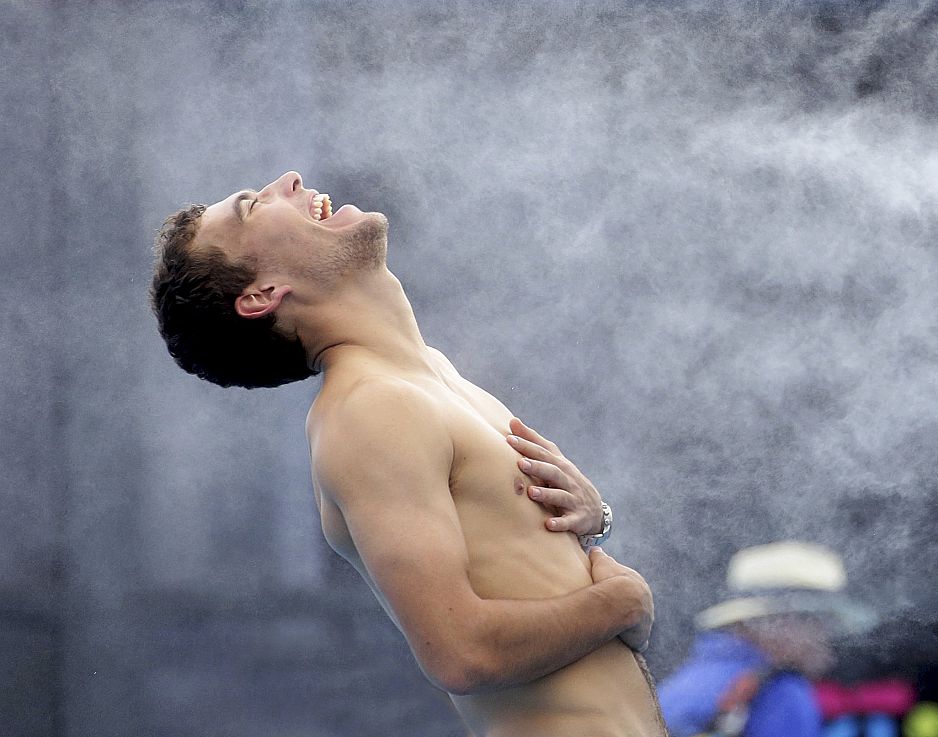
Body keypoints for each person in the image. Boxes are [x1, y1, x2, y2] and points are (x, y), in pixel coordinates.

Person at [149, 171, 662, 736]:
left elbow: (517, 568)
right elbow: (462, 652)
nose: (288, 180)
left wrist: (594, 520)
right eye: (251, 207)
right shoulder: (369, 410)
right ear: (261, 295)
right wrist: (624, 602)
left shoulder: (429, 376)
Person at [658, 541, 875, 737]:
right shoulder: (781, 692)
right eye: (815, 620)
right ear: (774, 622)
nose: (825, 636)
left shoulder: (671, 687)